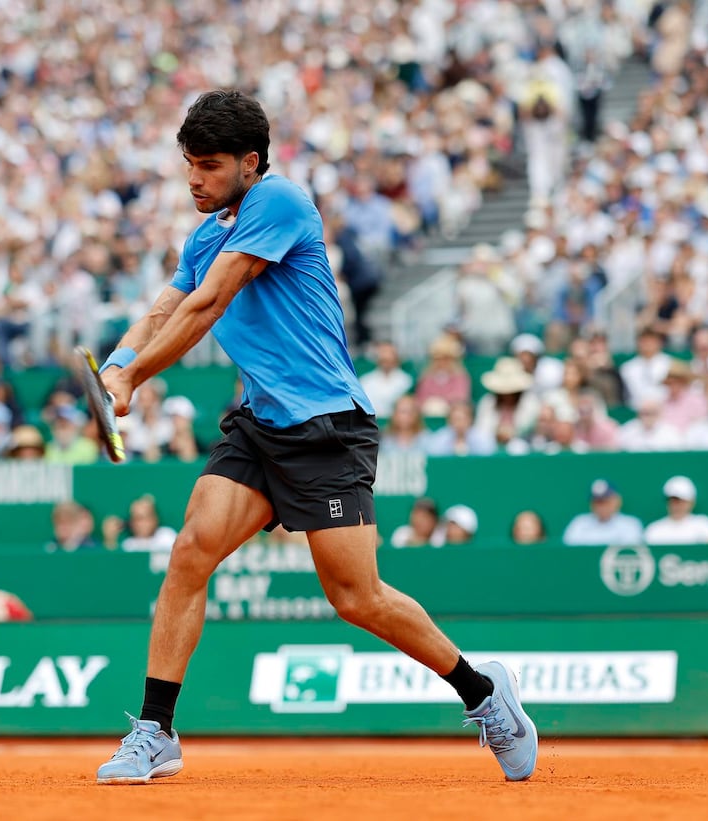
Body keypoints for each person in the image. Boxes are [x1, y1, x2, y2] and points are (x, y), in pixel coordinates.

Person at [93, 91, 536, 785]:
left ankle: (483, 692)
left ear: (251, 161)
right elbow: (167, 304)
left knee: (357, 597)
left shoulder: (281, 202)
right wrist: (118, 363)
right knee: (190, 551)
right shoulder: (206, 233)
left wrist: (136, 379)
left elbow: (208, 303)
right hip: (259, 423)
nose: (194, 180)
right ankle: (156, 730)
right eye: (188, 165)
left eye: (208, 166)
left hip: (327, 426)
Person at [561, 480, 644, 547]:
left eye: (605, 501)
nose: (602, 507)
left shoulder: (630, 524)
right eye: (597, 502)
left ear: (617, 501)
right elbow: (569, 551)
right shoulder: (579, 523)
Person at [644, 476, 708, 546]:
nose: (677, 505)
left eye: (682, 501)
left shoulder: (704, 524)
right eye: (673, 501)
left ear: (692, 502)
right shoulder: (654, 530)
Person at [102, 495, 178, 552]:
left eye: (144, 517)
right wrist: (110, 540)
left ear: (155, 519)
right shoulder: (128, 545)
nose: (140, 523)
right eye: (136, 518)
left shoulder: (167, 536)